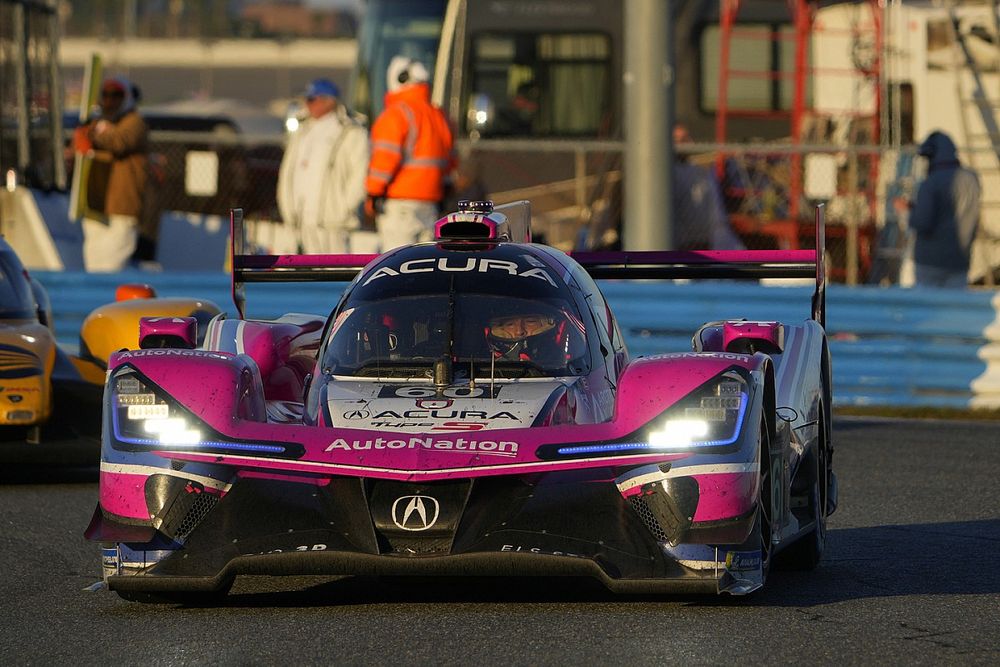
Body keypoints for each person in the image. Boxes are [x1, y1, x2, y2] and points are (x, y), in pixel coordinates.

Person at [365, 57, 455, 251]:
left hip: (400, 206)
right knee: (425, 263)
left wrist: (373, 194)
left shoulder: (395, 115)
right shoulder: (438, 115)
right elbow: (449, 162)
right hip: (431, 205)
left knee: (395, 264)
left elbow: (384, 160)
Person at [277, 78, 369, 253]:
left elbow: (360, 175)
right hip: (300, 221)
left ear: (329, 101)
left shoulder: (350, 131)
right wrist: (287, 208)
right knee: (303, 275)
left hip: (332, 224)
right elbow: (288, 171)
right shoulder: (302, 130)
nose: (307, 104)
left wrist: (343, 209)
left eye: (312, 99)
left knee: (334, 273)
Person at [80, 76, 149, 272]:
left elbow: (119, 143)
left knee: (114, 260)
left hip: (122, 205)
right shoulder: (97, 124)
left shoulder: (134, 122)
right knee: (94, 259)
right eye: (106, 95)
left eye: (117, 95)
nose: (110, 101)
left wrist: (95, 132)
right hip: (97, 204)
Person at [905, 131, 981, 287]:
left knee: (928, 308)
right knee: (955, 307)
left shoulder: (931, 183)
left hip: (930, 262)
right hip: (960, 260)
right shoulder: (971, 179)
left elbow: (922, 222)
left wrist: (909, 212)